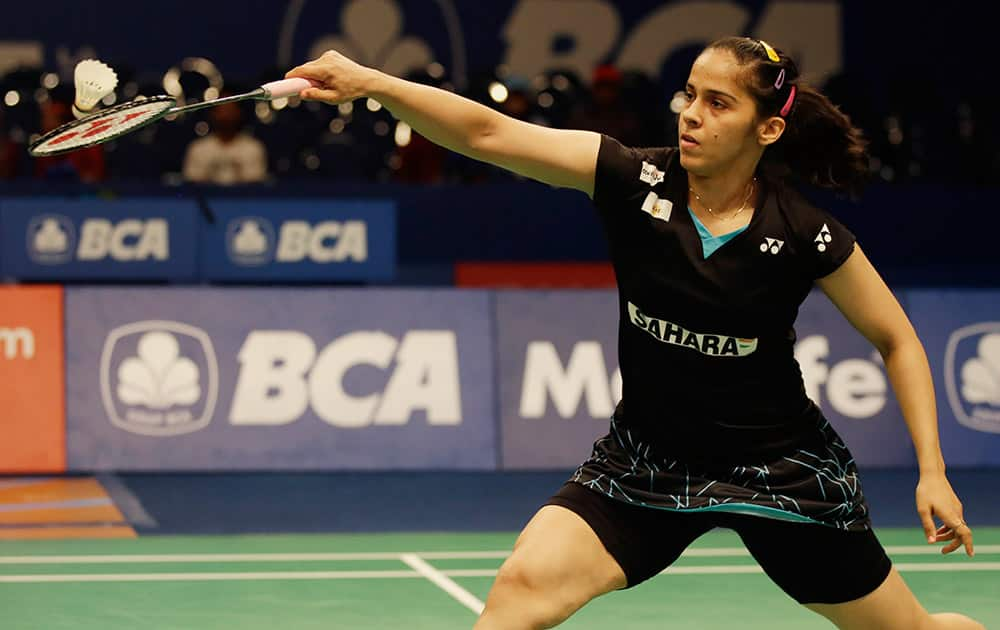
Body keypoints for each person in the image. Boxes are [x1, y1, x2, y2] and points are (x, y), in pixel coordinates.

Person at [286, 36, 984, 630]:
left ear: (767, 129)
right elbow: (487, 133)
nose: (693, 116)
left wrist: (932, 472)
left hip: (778, 471)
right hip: (646, 463)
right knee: (520, 588)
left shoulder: (804, 232)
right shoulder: (630, 177)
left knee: (912, 628)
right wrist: (368, 82)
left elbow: (897, 337)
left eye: (719, 103)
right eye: (689, 95)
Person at [182, 94, 267, 185]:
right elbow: (192, 181)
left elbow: (256, 183)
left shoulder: (253, 148)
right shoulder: (198, 148)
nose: (225, 116)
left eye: (229, 110)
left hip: (243, 198)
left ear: (239, 113)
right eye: (221, 111)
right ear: (213, 114)